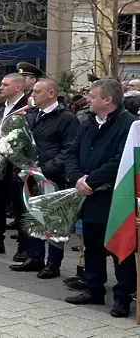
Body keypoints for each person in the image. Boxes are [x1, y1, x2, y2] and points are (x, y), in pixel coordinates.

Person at [64, 78, 138, 317]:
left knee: (120, 249)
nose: (88, 99)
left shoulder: (130, 125)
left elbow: (121, 160)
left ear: (108, 99)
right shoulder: (87, 122)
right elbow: (72, 152)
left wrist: (90, 180)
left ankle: (123, 297)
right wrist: (77, 178)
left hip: (115, 197)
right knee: (92, 245)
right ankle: (93, 288)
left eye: (93, 95)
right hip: (88, 194)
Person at [15, 78, 79, 278]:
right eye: (32, 92)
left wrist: (46, 168)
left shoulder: (66, 118)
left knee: (54, 220)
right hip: (30, 174)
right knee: (33, 215)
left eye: (37, 92)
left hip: (53, 177)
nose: (32, 95)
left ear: (51, 93)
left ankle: (53, 263)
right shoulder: (31, 114)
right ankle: (35, 257)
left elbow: (69, 150)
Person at [0, 73, 32, 257]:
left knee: (19, 206)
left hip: (18, 164)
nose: (1, 87)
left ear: (18, 87)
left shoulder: (28, 107)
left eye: (5, 84)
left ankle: (24, 247)